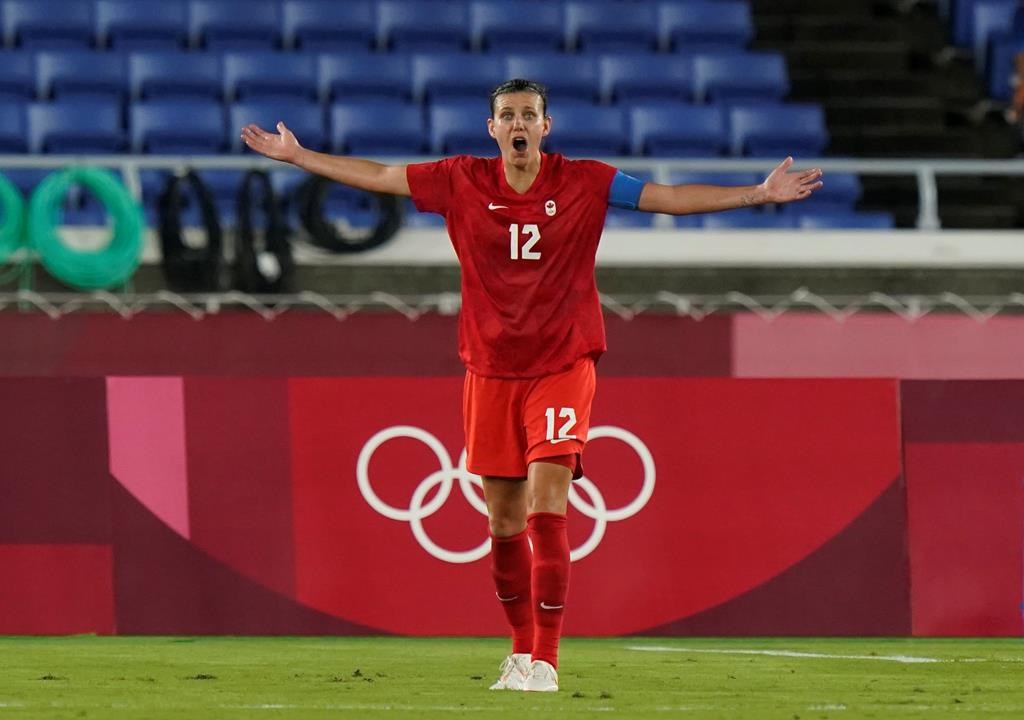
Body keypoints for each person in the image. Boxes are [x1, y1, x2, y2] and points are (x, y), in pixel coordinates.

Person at [241, 78, 823, 693]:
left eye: (529, 114)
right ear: (492, 128)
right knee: (502, 523)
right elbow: (381, 176)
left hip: (562, 362)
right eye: (507, 115)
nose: (518, 123)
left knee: (550, 503)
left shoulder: (587, 181)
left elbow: (668, 197)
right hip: (490, 369)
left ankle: (545, 659)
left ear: (547, 127)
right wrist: (300, 157)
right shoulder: (458, 179)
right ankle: (520, 651)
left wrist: (756, 193)